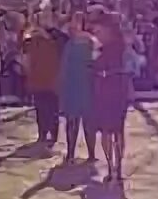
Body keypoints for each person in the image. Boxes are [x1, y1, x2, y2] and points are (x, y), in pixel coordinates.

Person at [92, 15, 130, 184]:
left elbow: (95, 66)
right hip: (113, 88)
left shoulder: (112, 46)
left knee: (111, 131)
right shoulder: (117, 44)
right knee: (114, 130)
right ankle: (115, 167)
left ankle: (113, 167)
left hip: (111, 88)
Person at [58, 12, 96, 163]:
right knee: (71, 121)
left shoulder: (92, 42)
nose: (74, 24)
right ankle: (70, 153)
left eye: (78, 21)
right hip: (72, 86)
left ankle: (92, 154)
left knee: (89, 122)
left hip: (87, 85)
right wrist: (62, 87)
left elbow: (97, 62)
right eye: (73, 21)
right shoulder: (69, 43)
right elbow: (64, 67)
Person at [22, 12, 63, 146]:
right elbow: (24, 51)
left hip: (52, 80)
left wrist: (45, 34)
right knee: (40, 109)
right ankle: (42, 134)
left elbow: (59, 45)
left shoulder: (56, 35)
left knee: (52, 109)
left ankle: (53, 134)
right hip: (37, 79)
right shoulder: (32, 39)